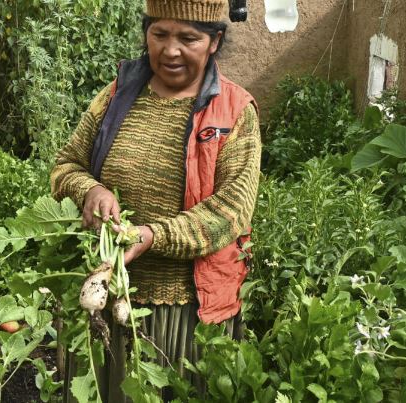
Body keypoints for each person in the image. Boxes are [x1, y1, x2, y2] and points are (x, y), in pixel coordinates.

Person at [50, 0, 261, 400]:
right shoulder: (116, 95)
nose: (170, 50)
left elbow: (230, 212)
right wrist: (89, 189)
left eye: (188, 38)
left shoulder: (234, 111)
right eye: (159, 34)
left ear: (214, 41)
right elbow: (66, 165)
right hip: (108, 296)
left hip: (186, 310)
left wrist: (151, 236)